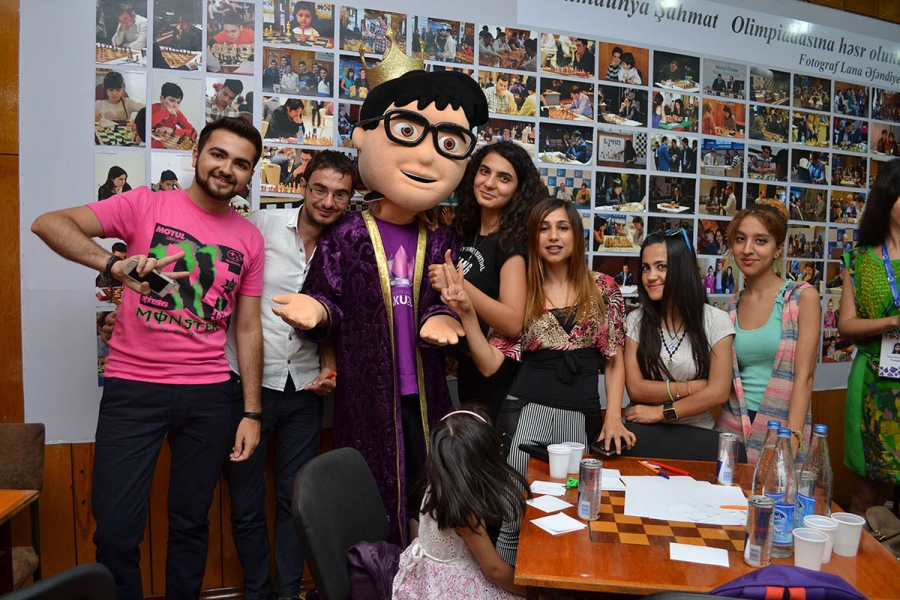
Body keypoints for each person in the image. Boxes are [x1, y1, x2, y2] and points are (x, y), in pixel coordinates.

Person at [31, 117, 265, 599]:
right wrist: (112, 264)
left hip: (209, 396)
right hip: (133, 390)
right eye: (218, 154)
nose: (227, 169)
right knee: (116, 532)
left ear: (249, 175)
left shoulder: (249, 238)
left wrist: (252, 411)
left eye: (241, 164)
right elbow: (48, 223)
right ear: (196, 154)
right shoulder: (144, 203)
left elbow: (246, 327)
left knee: (191, 524)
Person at [272, 68, 488, 547]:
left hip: (427, 389)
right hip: (367, 393)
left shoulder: (441, 238)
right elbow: (328, 296)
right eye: (408, 132)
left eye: (447, 143)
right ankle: (377, 573)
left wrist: (442, 316)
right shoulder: (347, 234)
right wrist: (318, 312)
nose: (426, 156)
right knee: (371, 490)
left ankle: (430, 573)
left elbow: (446, 297)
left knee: (432, 489)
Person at [444, 198, 634, 566]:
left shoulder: (604, 288)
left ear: (577, 235)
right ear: (533, 238)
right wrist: (467, 313)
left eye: (562, 227)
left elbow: (614, 358)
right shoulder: (523, 292)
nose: (553, 236)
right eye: (543, 229)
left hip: (583, 422)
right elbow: (489, 364)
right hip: (524, 420)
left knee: (577, 518)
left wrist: (614, 416)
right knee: (517, 521)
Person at [222, 151, 354, 600]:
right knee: (245, 502)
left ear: (350, 199)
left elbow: (336, 317)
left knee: (294, 500)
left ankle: (287, 593)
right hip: (247, 386)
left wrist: (330, 367)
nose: (328, 201)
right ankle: (257, 591)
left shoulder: (347, 244)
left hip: (305, 391)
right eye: (320, 189)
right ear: (303, 186)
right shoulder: (260, 225)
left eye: (340, 194)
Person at [427, 142, 540, 428]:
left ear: (518, 190)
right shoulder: (467, 232)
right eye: (484, 171)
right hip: (469, 369)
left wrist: (459, 285)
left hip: (499, 377)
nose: (489, 183)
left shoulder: (512, 242)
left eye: (504, 178)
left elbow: (513, 322)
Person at [717, 200, 819, 463]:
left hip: (780, 428)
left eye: (760, 241)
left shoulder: (801, 298)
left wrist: (792, 439)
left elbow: (805, 376)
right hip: (732, 429)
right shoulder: (729, 309)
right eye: (740, 239)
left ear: (778, 249)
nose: (747, 249)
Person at [392, 407, 528, 598]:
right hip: (452, 586)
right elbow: (494, 569)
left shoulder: (439, 485)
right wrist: (535, 592)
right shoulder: (465, 510)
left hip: (429, 575)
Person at [623, 230, 734, 429]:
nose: (651, 276)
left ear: (682, 269)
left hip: (696, 433)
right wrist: (692, 387)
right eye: (646, 268)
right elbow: (636, 389)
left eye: (661, 266)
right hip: (642, 430)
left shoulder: (716, 320)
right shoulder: (635, 320)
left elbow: (718, 392)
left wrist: (660, 412)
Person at [838, 158, 900, 515]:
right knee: (865, 496)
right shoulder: (858, 260)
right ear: (886, 200)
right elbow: (846, 326)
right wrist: (893, 321)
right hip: (872, 382)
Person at [150, 82, 197, 148]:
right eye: (172, 101)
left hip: (166, 146)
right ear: (162, 99)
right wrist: (165, 112)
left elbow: (194, 132)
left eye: (178, 102)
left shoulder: (178, 114)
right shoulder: (152, 108)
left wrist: (172, 131)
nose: (175, 105)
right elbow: (146, 125)